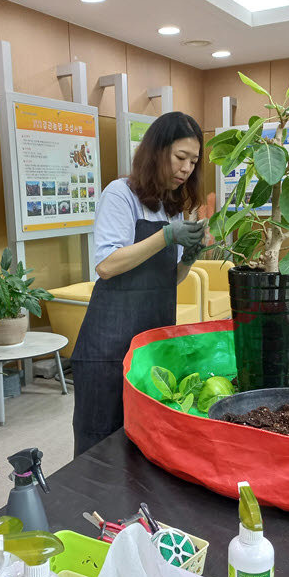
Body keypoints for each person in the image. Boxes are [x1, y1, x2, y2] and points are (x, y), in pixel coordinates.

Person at [71, 112, 206, 456]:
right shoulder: (121, 194)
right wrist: (166, 236)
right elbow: (107, 265)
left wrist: (189, 255)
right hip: (109, 345)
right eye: (180, 157)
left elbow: (170, 278)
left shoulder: (171, 208)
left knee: (142, 440)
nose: (187, 168)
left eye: (193, 161)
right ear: (156, 151)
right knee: (100, 442)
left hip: (152, 342)